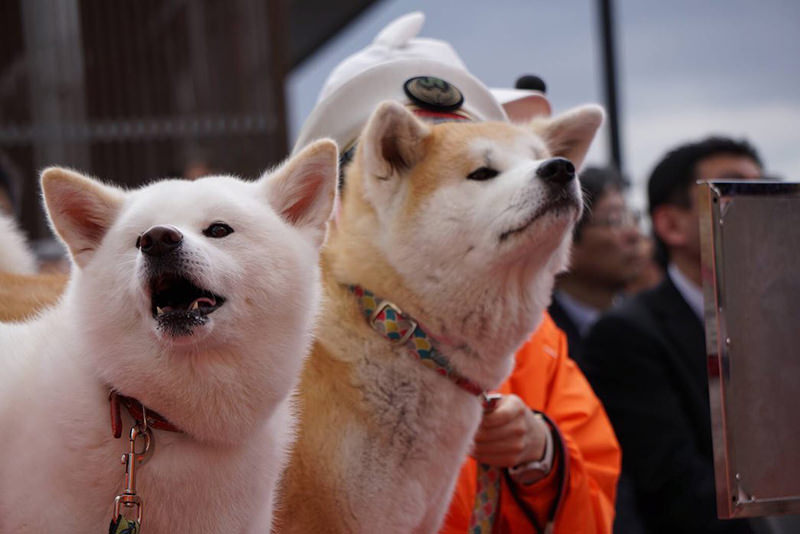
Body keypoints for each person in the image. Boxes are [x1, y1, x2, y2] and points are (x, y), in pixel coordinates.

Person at [292, 12, 621, 533]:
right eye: (481, 173)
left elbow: (597, 507)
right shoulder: (281, 337)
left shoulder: (540, 348)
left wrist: (542, 454)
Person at [582, 136, 763, 534]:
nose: (761, 205)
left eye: (765, 188)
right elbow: (675, 490)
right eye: (734, 190)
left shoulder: (781, 317)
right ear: (670, 224)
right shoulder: (627, 336)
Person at [547, 166, 643, 366]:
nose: (634, 234)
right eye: (615, 220)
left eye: (632, 218)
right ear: (565, 240)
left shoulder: (646, 323)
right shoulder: (541, 334)